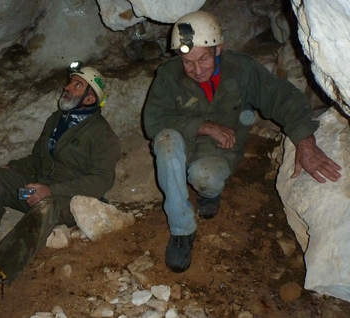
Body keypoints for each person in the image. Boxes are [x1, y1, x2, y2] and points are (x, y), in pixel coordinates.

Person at [143, 11, 342, 274]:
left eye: (203, 58)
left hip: (219, 151)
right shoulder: (169, 75)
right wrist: (204, 127)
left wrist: (305, 141)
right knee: (165, 141)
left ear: (219, 49)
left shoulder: (242, 69)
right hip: (182, 142)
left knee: (206, 178)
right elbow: (153, 121)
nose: (197, 70)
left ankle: (209, 194)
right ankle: (182, 230)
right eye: (187, 62)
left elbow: (282, 97)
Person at [0, 62, 121, 316]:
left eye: (76, 85)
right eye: (70, 81)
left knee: (45, 207)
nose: (67, 87)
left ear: (90, 97)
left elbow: (101, 181)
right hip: (36, 192)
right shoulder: (56, 120)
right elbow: (36, 160)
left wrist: (51, 190)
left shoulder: (102, 134)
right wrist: (10, 168)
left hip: (67, 202)